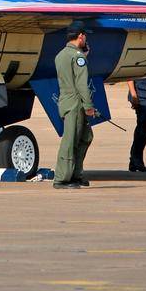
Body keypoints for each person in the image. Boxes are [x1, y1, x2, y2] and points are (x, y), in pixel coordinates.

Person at [53, 23, 97, 189]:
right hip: (75, 104)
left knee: (85, 137)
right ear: (80, 36)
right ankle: (62, 178)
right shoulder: (78, 57)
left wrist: (83, 56)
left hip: (66, 101)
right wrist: (88, 106)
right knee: (70, 141)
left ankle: (75, 174)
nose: (86, 38)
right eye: (85, 35)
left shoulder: (61, 55)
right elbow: (81, 84)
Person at [125, 76, 146, 173]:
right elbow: (130, 76)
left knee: (143, 126)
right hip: (139, 95)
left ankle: (135, 161)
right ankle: (136, 159)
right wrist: (134, 95)